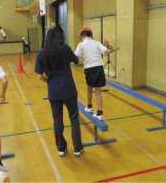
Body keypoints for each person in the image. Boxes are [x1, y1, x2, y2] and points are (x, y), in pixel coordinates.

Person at [35, 26, 83, 157]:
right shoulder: (65, 48)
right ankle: (77, 148)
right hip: (69, 89)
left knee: (57, 120)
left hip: (53, 91)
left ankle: (61, 148)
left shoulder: (42, 53)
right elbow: (76, 61)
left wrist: (49, 81)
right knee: (74, 118)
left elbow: (39, 76)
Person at [75, 27, 115, 120]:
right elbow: (107, 51)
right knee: (97, 91)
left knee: (90, 88)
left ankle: (91, 107)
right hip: (99, 68)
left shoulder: (81, 44)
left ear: (83, 35)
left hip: (90, 69)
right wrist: (109, 48)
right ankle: (97, 111)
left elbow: (75, 56)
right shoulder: (97, 43)